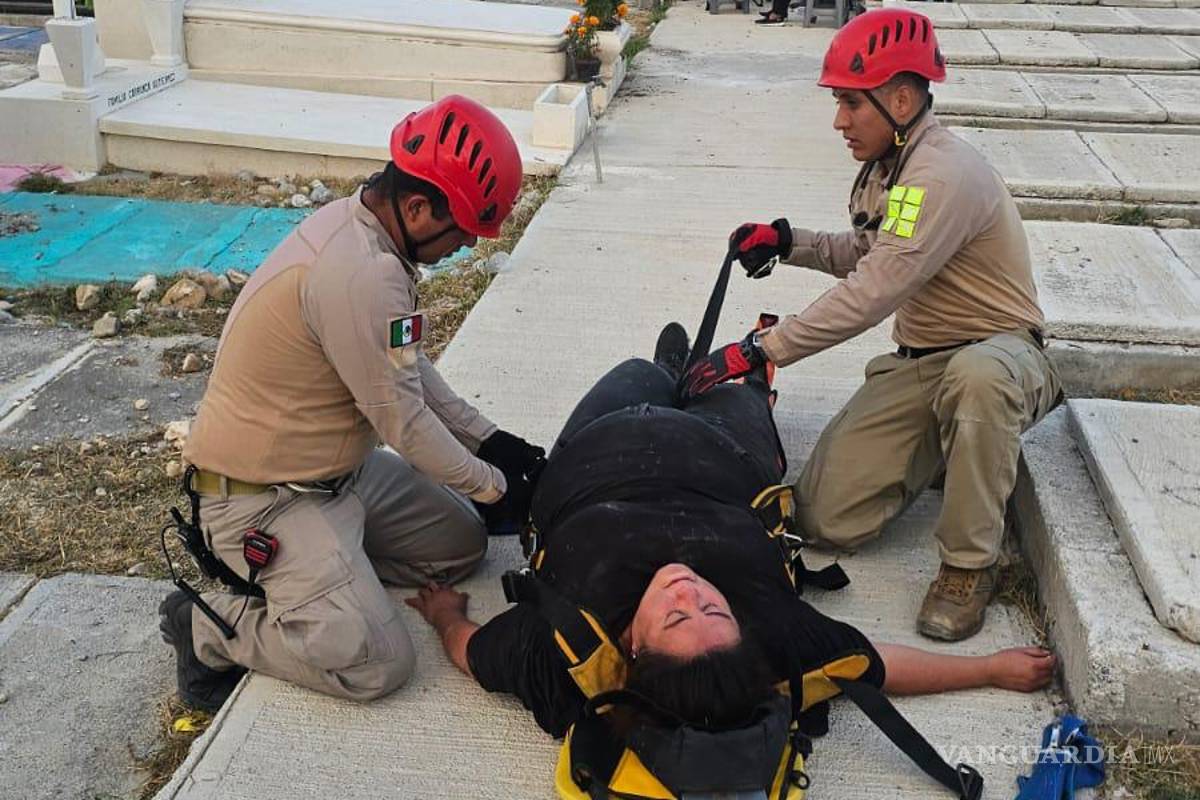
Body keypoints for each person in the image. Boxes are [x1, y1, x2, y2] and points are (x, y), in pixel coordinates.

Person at [407, 323, 1055, 761]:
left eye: (675, 616)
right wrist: (989, 670)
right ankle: (738, 382)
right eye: (711, 609)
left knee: (640, 370)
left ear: (632, 648)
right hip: (724, 454)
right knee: (733, 384)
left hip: (602, 440)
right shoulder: (758, 641)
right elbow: (875, 666)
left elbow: (470, 654)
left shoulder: (561, 657)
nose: (689, 591)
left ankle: (668, 371)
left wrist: (444, 615)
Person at [682, 8, 1062, 642]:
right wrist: (786, 241)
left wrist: (764, 348)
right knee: (826, 518)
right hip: (924, 361)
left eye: (851, 104)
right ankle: (954, 440)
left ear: (902, 98)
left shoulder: (942, 174)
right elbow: (869, 255)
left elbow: (876, 290)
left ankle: (970, 565)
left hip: (1002, 356)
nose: (839, 120)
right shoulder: (896, 169)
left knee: (977, 380)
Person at [157, 95, 547, 712]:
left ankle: (329, 574)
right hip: (262, 499)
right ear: (419, 209)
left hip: (343, 475)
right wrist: (497, 488)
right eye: (464, 233)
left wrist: (492, 442)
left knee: (461, 546)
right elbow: (405, 422)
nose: (466, 248)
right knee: (376, 662)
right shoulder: (359, 272)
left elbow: (408, 369)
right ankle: (206, 625)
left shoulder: (375, 234)